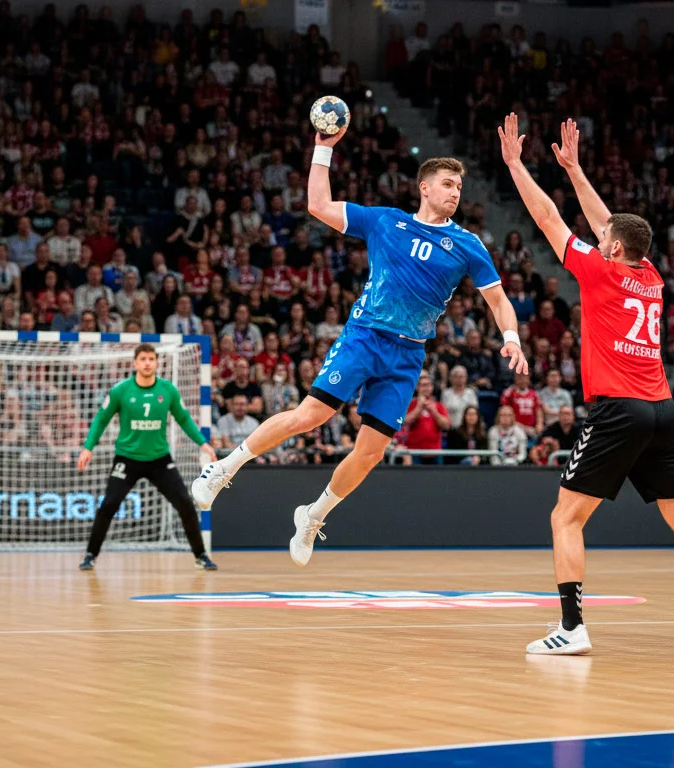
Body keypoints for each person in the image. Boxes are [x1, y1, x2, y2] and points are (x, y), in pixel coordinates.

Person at [501, 114, 674, 655]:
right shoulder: (649, 275)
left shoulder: (600, 270)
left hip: (619, 410)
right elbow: (613, 225)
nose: (598, 235)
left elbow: (548, 217)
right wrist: (576, 169)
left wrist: (515, 165)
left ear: (610, 251)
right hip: (661, 409)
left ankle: (572, 629)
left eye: (603, 238)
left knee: (565, 517)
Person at [190, 121, 527, 567]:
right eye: (447, 184)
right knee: (311, 415)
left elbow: (499, 300)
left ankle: (312, 516)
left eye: (459, 186)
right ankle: (223, 470)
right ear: (424, 188)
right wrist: (322, 149)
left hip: (407, 354)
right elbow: (317, 205)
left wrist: (511, 337)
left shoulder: (466, 244)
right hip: (365, 336)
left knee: (370, 452)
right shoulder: (386, 221)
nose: (455, 192)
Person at [76, 344, 217, 571]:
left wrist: (203, 443)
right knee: (109, 504)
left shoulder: (168, 390)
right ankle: (90, 555)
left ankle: (201, 555)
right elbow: (101, 419)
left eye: (151, 358)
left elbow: (184, 419)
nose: (147, 363)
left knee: (185, 502)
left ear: (156, 362)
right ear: (135, 363)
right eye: (143, 359)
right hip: (127, 458)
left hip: (159, 460)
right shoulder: (120, 391)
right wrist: (87, 448)